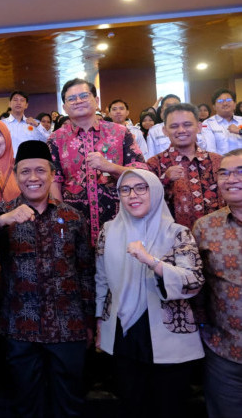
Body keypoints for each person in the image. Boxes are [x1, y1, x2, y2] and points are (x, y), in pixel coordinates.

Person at [0, 140, 94, 417]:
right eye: (25, 171)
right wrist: (3, 220)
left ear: (52, 174)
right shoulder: (4, 212)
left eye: (40, 170)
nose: (33, 178)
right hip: (20, 329)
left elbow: (86, 271)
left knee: (69, 405)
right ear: (16, 175)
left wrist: (88, 320)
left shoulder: (72, 216)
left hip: (68, 327)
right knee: (27, 406)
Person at [95, 169, 204, 417]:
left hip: (168, 336)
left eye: (141, 188)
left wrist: (152, 262)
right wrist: (100, 321)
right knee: (131, 404)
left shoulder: (177, 233)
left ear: (154, 192)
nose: (133, 195)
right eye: (125, 189)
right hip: (123, 332)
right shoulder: (108, 231)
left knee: (168, 406)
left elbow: (194, 281)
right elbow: (102, 279)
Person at [47, 79, 147, 246]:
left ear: (96, 101)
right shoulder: (56, 139)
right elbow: (53, 181)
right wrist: (61, 219)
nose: (78, 101)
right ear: (64, 107)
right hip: (75, 224)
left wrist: (110, 167)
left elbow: (142, 172)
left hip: (120, 220)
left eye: (84, 96)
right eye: (71, 99)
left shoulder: (120, 133)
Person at [192, 148, 242, 418]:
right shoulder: (205, 227)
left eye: (239, 172)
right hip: (225, 353)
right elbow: (198, 285)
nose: (231, 179)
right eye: (224, 173)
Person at [146, 103, 223, 229]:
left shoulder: (218, 162)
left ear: (199, 127)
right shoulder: (154, 164)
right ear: (165, 130)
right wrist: (165, 180)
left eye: (187, 125)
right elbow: (145, 203)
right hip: (172, 237)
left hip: (215, 234)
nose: (181, 130)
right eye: (174, 126)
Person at [1, 91, 50, 155]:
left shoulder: (35, 124)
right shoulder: (2, 124)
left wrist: (38, 126)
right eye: (15, 100)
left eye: (22, 100)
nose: (18, 103)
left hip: (30, 160)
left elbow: (48, 140)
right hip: (9, 160)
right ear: (9, 104)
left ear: (26, 105)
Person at [201, 88, 242, 156]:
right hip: (221, 162)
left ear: (235, 104)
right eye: (220, 101)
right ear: (214, 107)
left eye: (228, 100)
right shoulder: (208, 124)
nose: (225, 103)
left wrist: (240, 131)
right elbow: (211, 151)